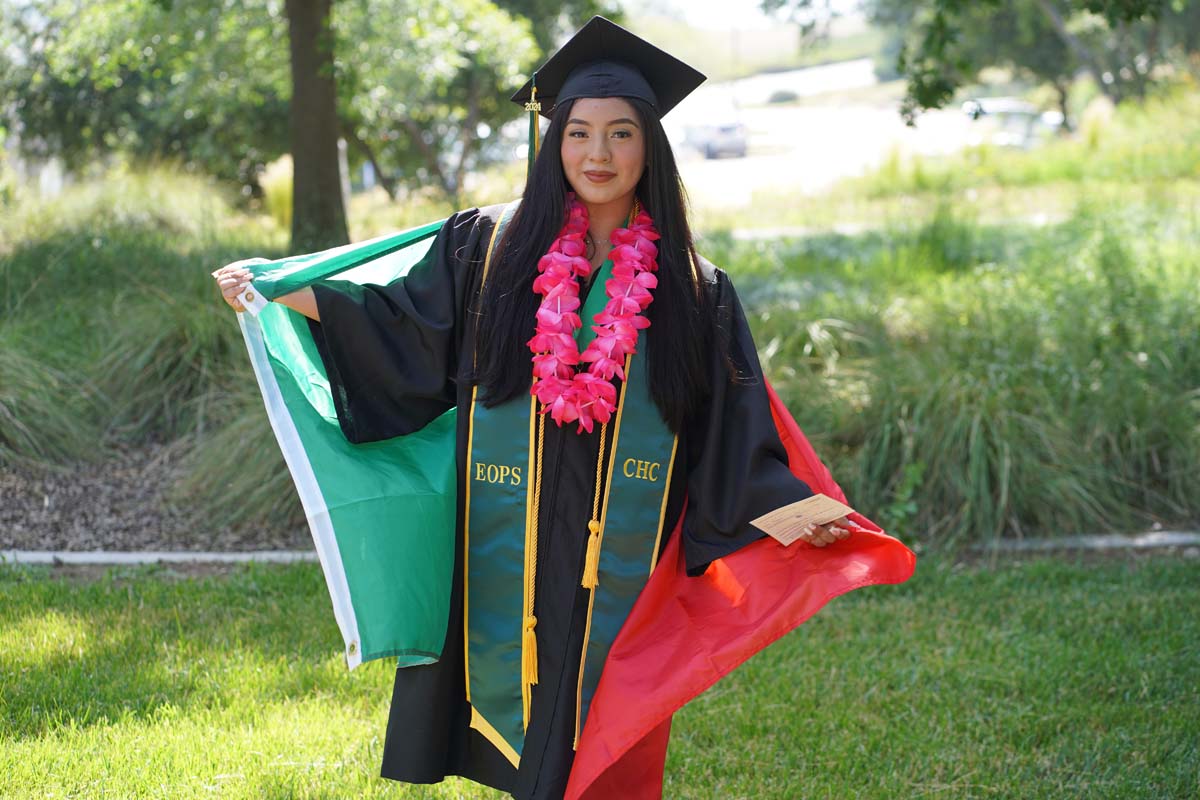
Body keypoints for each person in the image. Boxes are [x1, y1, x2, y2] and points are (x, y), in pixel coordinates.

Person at [213, 16, 894, 800]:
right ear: (553, 143)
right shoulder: (491, 250)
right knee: (527, 728)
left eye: (620, 134)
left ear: (650, 147)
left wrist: (794, 512)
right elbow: (403, 327)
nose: (597, 156)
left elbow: (732, 428)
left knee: (596, 738)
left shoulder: (694, 290)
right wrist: (279, 293)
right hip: (512, 537)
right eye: (578, 133)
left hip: (617, 560)